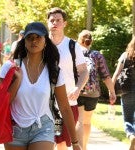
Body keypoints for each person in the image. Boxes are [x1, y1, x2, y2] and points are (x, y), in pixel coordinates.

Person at [0, 21, 81, 150]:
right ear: (24, 41)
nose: (34, 41)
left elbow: (65, 107)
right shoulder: (10, 67)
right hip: (14, 127)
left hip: (43, 128)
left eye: (38, 37)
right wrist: (17, 81)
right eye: (30, 38)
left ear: (45, 41)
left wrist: (75, 142)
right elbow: (1, 103)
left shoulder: (54, 71)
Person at [47, 7, 89, 150]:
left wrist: (78, 88)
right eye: (52, 20)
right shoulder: (42, 44)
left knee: (61, 143)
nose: (55, 23)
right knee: (47, 140)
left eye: (58, 20)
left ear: (64, 23)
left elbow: (84, 71)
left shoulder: (72, 45)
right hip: (44, 103)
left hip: (67, 103)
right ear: (47, 23)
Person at [76, 29, 116, 150]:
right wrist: (112, 92)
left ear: (79, 40)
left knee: (79, 120)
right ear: (91, 42)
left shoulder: (76, 53)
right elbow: (106, 76)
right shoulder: (97, 55)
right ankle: (85, 147)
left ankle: (80, 147)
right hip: (93, 93)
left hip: (78, 90)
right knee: (87, 122)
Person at [112, 37, 135, 150]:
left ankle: (131, 135)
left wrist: (111, 91)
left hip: (127, 92)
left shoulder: (125, 55)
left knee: (128, 119)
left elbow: (116, 74)